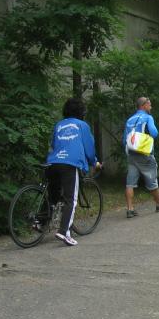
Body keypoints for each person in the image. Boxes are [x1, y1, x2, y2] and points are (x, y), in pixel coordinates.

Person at [45, 98, 102, 246]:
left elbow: (53, 144)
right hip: (70, 163)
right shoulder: (82, 125)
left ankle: (40, 221)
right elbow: (89, 148)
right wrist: (94, 162)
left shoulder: (59, 124)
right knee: (71, 199)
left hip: (53, 162)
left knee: (53, 195)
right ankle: (64, 232)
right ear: (82, 112)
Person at [123, 96, 159, 218]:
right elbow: (154, 133)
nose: (151, 107)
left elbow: (124, 140)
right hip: (144, 153)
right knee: (152, 180)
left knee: (130, 182)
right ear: (144, 105)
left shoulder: (129, 119)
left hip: (131, 154)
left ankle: (130, 209)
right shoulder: (148, 117)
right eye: (149, 104)